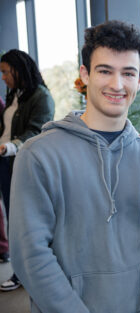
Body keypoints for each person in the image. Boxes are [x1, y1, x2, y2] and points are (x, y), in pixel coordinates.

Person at [9, 20, 140, 313]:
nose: (116, 84)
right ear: (85, 74)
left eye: (128, 73)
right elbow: (30, 254)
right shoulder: (39, 155)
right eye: (105, 71)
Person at [0, 49, 55, 291]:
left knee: (25, 220)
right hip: (5, 162)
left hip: (21, 163)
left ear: (18, 69)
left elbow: (37, 131)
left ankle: (28, 272)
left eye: (5, 72)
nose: (2, 77)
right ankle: (22, 270)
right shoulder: (15, 95)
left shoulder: (41, 96)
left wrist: (9, 147)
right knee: (13, 218)